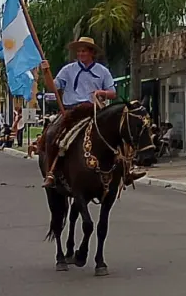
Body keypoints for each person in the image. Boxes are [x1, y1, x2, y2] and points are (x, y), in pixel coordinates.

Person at [39, 37, 144, 188]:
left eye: (84, 51)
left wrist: (102, 92)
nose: (81, 54)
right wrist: (46, 72)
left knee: (119, 135)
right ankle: (51, 172)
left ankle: (127, 170)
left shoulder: (102, 71)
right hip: (72, 112)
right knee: (52, 135)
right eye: (79, 51)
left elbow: (113, 93)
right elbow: (53, 87)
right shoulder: (68, 70)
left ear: (92, 53)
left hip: (96, 111)